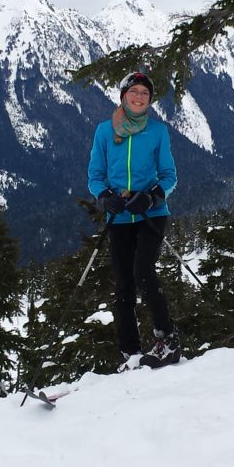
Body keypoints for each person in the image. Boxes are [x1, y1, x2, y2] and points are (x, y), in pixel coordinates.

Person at [87, 70, 180, 371]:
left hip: (150, 212)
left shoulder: (157, 131)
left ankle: (167, 338)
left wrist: (153, 196)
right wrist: (104, 196)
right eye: (134, 92)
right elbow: (95, 175)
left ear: (149, 100)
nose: (139, 97)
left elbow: (169, 176)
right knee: (124, 283)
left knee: (143, 271)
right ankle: (130, 353)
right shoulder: (104, 131)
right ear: (123, 96)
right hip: (119, 217)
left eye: (145, 93)